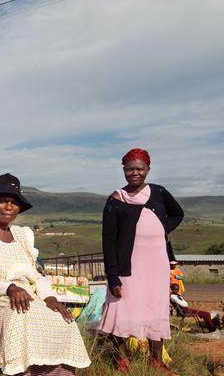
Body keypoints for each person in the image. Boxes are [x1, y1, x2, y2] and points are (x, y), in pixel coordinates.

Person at [0, 173, 91, 376]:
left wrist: (50, 297)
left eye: (14, 202)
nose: (9, 206)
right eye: (3, 201)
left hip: (29, 295)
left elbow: (37, 276)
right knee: (22, 318)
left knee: (64, 320)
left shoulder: (22, 235)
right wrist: (9, 288)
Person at [100, 148, 184, 375]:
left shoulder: (158, 192)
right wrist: (113, 275)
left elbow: (177, 213)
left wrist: (162, 228)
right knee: (122, 308)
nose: (134, 173)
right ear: (123, 170)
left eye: (139, 168)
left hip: (156, 262)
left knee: (155, 306)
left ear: (148, 169)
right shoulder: (116, 199)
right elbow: (108, 241)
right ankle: (122, 359)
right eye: (130, 169)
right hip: (128, 265)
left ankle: (156, 360)